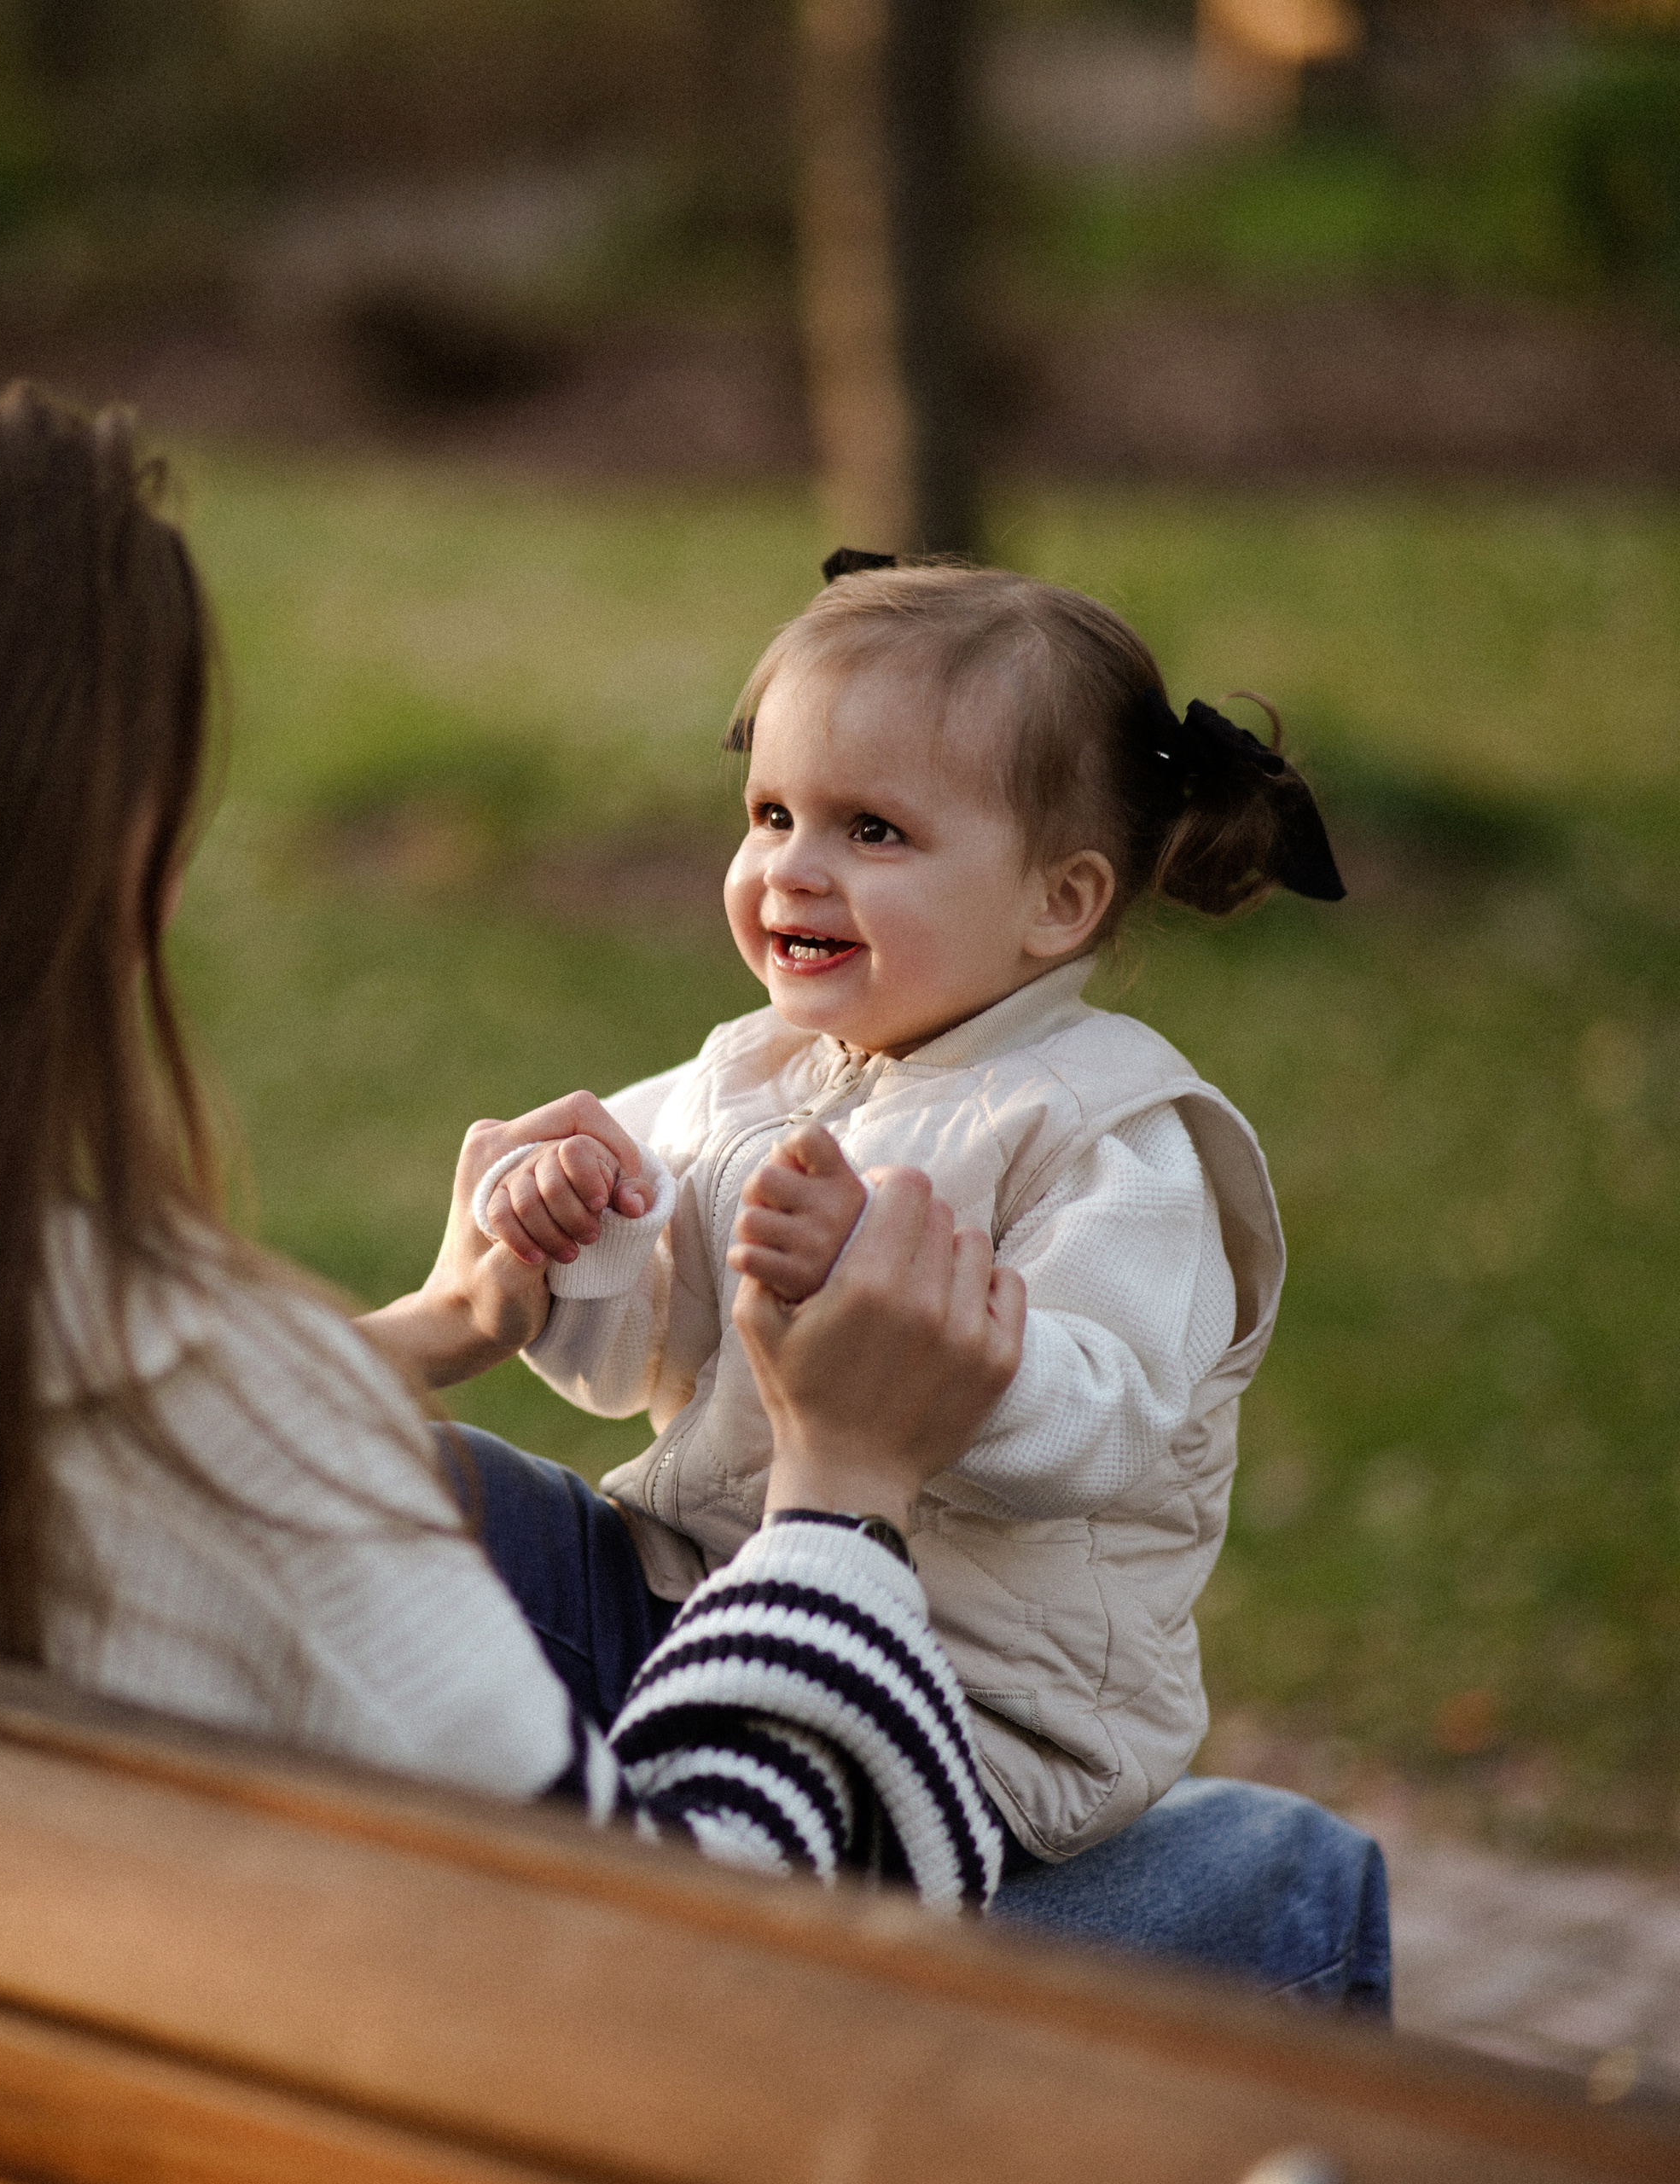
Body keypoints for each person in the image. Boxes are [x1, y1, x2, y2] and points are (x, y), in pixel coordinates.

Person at [0, 375, 1024, 1913]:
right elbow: (691, 1956)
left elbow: (42, 1409)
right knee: (1271, 1875)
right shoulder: (214, 1421)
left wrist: (432, 1330)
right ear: (112, 856)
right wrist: (840, 1485)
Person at [420, 552, 1390, 2009]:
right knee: (438, 1484)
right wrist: (572, 1234)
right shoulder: (743, 1072)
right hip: (696, 1611)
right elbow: (626, 1364)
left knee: (1283, 1872)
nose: (791, 870)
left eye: (871, 830)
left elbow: (1102, 1423)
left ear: (1060, 903)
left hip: (963, 1717)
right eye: (770, 816)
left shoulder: (1113, 1139)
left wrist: (911, 1331)